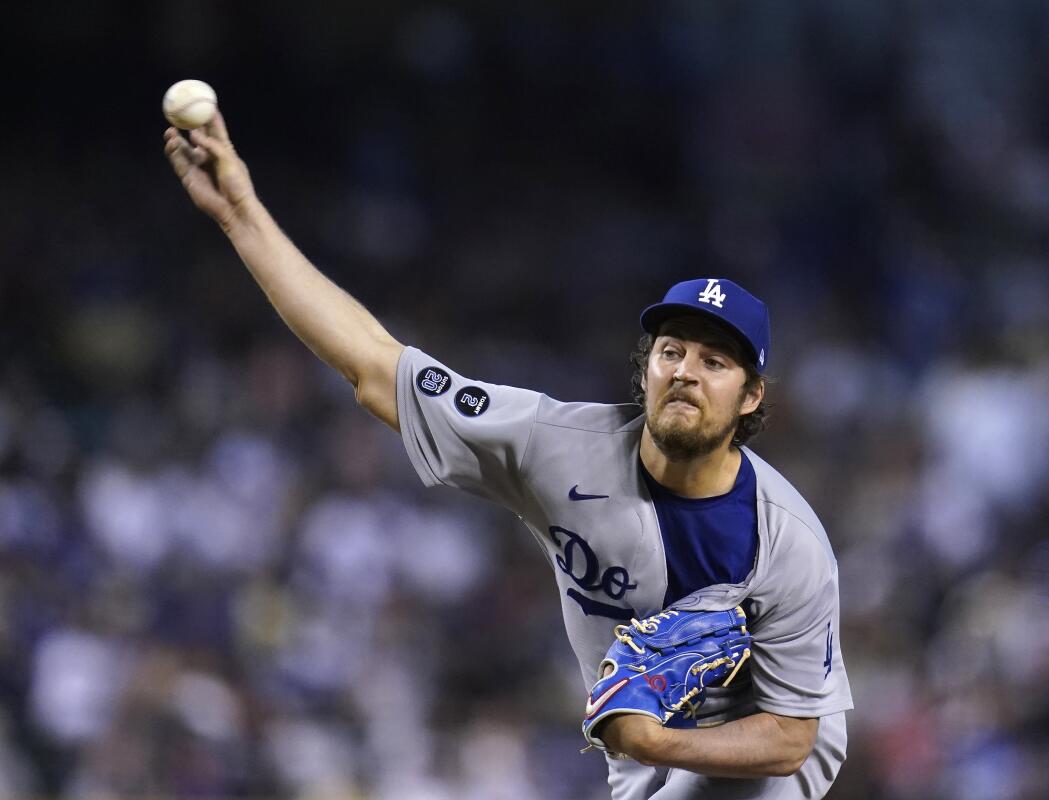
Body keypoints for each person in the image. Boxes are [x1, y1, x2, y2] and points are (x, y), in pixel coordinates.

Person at [164, 112, 853, 799]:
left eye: (714, 361)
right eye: (671, 351)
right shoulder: (555, 444)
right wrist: (242, 215)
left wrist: (655, 741)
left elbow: (791, 738)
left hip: (766, 761)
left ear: (753, 397)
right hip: (648, 762)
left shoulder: (784, 539)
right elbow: (375, 364)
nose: (684, 372)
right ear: (644, 368)